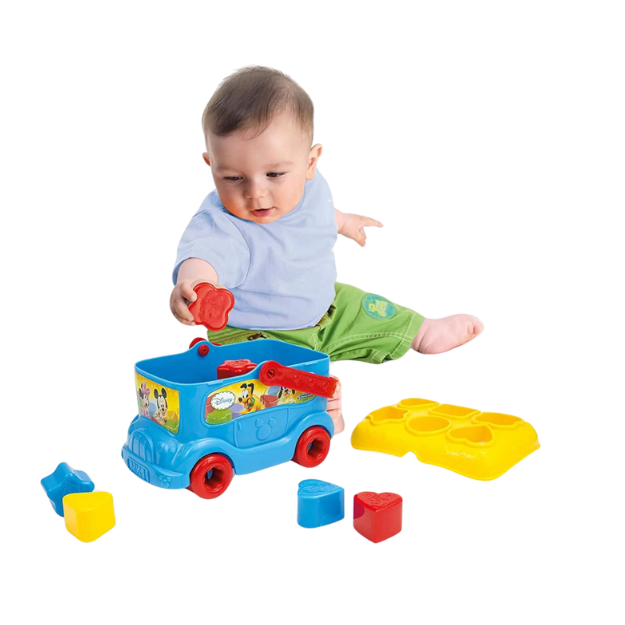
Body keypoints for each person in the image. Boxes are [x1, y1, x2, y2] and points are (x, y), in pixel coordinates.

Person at [169, 64, 485, 436]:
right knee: (266, 376)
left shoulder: (313, 186)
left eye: (274, 175)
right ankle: (315, 411)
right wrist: (194, 286)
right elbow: (204, 256)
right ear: (210, 165)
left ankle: (420, 331)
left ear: (310, 162)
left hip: (326, 309)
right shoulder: (221, 223)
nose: (255, 192)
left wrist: (343, 222)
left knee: (366, 306)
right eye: (233, 178)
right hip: (256, 334)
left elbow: (316, 215)